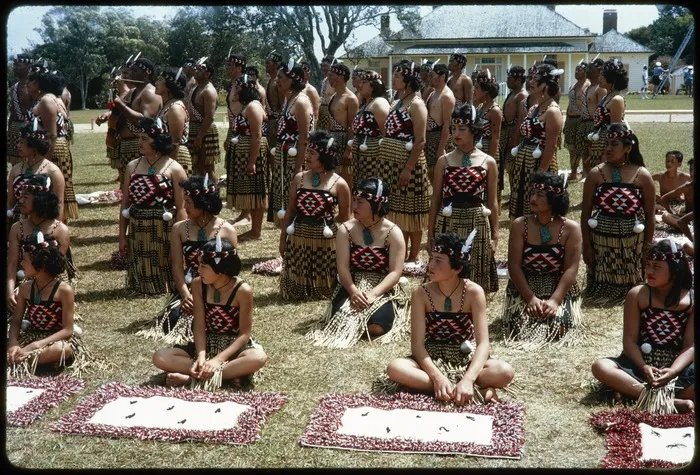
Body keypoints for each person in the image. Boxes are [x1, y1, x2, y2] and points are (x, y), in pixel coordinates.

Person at [385, 232, 515, 404]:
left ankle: (453, 388)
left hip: (464, 356)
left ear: (457, 268)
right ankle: (471, 391)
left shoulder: (474, 292)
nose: (430, 265)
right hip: (431, 358)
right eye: (431, 258)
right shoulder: (421, 294)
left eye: (438, 261)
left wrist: (468, 378)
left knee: (505, 372)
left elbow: (483, 343)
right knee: (395, 368)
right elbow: (417, 345)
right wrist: (437, 376)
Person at [591, 239, 694, 413]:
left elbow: (690, 346)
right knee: (600, 367)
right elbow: (629, 341)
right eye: (648, 265)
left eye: (657, 267)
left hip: (675, 369)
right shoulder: (637, 294)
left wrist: (673, 370)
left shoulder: (692, 300)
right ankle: (662, 400)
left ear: (675, 270)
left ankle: (630, 391)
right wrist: (643, 366)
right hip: (640, 366)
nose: (649, 271)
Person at [306, 178, 409, 348]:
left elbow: (395, 272)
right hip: (351, 284)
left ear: (376, 204)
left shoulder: (393, 233)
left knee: (376, 327)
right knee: (340, 319)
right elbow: (342, 267)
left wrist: (373, 294)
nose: (354, 206)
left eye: (360, 202)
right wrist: (354, 292)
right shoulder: (346, 230)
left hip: (382, 286)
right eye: (353, 200)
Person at [152, 238, 267, 390]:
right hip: (206, 343)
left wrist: (217, 360)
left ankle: (190, 378)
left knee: (258, 358)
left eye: (204, 266)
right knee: (159, 357)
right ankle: (227, 374)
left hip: (234, 347)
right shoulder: (198, 284)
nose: (199, 270)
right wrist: (201, 356)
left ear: (221, 268)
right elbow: (199, 326)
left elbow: (244, 335)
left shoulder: (242, 290)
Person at [138, 175, 237, 344]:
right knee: (174, 320)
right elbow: (177, 266)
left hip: (218, 287)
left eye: (189, 202)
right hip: (190, 285)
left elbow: (232, 270)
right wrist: (185, 295)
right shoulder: (179, 229)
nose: (184, 207)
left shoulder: (226, 230)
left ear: (203, 204)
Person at [502, 172, 583, 348]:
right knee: (520, 327)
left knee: (559, 327)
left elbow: (571, 269)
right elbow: (514, 266)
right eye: (532, 193)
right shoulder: (520, 225)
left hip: (557, 285)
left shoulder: (571, 228)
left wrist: (555, 300)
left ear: (554, 199)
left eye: (540, 195)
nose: (533, 198)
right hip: (526, 284)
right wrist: (530, 298)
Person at [581, 124, 655, 306]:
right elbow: (585, 213)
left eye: (614, 144)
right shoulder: (596, 174)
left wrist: (646, 247)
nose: (607, 149)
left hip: (631, 244)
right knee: (599, 284)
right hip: (601, 243)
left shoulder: (642, 175)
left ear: (628, 148)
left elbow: (649, 215)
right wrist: (587, 245)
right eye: (606, 143)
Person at [429, 104, 499, 293]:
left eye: (462, 129)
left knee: (474, 270)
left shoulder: (488, 162)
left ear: (473, 130)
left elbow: (492, 201)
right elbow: (435, 199)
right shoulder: (444, 161)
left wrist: (495, 234)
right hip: (448, 220)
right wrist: (430, 233)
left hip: (477, 222)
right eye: (453, 128)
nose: (456, 133)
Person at [279, 131, 351, 300]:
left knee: (324, 286)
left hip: (325, 239)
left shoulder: (339, 184)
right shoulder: (299, 178)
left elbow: (346, 219)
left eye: (312, 153)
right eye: (307, 151)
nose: (307, 156)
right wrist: (283, 239)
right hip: (298, 237)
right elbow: (290, 211)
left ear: (325, 156)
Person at [119, 118, 187, 295]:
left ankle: (164, 283)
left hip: (163, 229)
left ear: (157, 142)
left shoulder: (174, 169)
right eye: (139, 138)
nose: (139, 142)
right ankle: (142, 284)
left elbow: (181, 208)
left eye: (144, 139)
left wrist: (181, 241)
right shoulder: (132, 167)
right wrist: (122, 237)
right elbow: (125, 203)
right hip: (137, 228)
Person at [7, 241, 92, 379]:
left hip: (55, 339)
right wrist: (13, 344)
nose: (21, 263)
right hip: (32, 335)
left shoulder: (64, 291)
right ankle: (26, 358)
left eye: (25, 260)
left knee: (63, 350)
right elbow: (16, 321)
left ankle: (24, 359)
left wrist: (35, 346)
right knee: (15, 349)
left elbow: (67, 331)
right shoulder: (25, 288)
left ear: (41, 267)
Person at [379, 60, 432, 264]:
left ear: (409, 80)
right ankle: (399, 251)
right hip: (390, 164)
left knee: (412, 210)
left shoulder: (417, 105)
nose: (395, 80)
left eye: (398, 77)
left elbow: (420, 140)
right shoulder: (398, 102)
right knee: (396, 209)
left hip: (409, 164)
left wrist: (408, 168)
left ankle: (414, 255)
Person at [7, 175, 74, 313]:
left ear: (39, 200)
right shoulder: (17, 228)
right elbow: (12, 264)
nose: (20, 200)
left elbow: (55, 269)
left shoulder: (60, 230)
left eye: (26, 197)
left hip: (50, 284)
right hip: (22, 279)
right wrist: (9, 292)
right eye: (21, 196)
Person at [509, 64, 563, 220]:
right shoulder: (534, 108)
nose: (530, 82)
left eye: (535, 79)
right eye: (531, 78)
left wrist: (540, 174)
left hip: (539, 165)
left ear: (546, 85)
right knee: (521, 205)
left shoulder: (552, 111)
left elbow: (551, 146)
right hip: (524, 166)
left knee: (538, 206)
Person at [26, 65, 78, 222]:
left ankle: (56, 226)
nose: (28, 84)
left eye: (32, 80)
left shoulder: (47, 100)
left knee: (53, 187)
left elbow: (52, 134)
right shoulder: (52, 98)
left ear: (40, 83)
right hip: (53, 146)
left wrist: (45, 161)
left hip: (52, 148)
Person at [226, 75, 269, 240]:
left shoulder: (253, 107)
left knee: (256, 192)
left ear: (245, 89)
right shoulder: (246, 106)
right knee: (251, 191)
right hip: (243, 155)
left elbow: (257, 136)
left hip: (252, 157)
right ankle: (253, 229)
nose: (234, 91)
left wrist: (252, 162)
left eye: (237, 88)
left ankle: (256, 231)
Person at [271, 59, 313, 226]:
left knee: (293, 195)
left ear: (293, 79)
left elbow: (304, 137)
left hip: (294, 156)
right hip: (285, 155)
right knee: (284, 196)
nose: (277, 80)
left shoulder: (301, 101)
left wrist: (299, 166)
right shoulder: (290, 99)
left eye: (281, 77)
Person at [112, 57, 164, 187]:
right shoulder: (133, 92)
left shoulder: (150, 92)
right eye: (130, 70)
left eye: (134, 70)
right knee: (128, 187)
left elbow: (145, 121)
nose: (129, 74)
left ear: (146, 74)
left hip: (139, 145)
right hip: (128, 146)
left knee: (141, 185)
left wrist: (121, 106)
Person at [7, 123, 65, 224]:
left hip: (44, 224)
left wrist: (54, 230)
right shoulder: (15, 170)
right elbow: (10, 202)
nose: (18, 146)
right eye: (18, 142)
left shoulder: (52, 171)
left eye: (22, 143)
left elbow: (59, 203)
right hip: (18, 224)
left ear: (33, 145)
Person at [588, 59, 628, 171]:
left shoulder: (616, 99)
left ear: (612, 79)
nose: (599, 78)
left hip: (606, 145)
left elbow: (615, 130)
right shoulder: (607, 97)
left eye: (603, 76)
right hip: (599, 143)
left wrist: (608, 152)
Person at [351, 70, 390, 185]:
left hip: (374, 158)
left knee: (371, 186)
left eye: (364, 82)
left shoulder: (379, 104)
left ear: (374, 85)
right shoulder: (366, 104)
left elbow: (386, 135)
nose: (360, 85)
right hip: (361, 158)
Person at [95, 66, 132, 183]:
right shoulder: (117, 95)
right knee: (119, 163)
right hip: (114, 131)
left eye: (113, 79)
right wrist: (107, 114)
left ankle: (124, 183)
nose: (111, 82)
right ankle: (122, 182)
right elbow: (115, 111)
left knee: (124, 163)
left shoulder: (129, 94)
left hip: (124, 132)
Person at [186, 58, 220, 180]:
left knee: (207, 167)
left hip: (204, 132)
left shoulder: (208, 91)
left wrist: (200, 137)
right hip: (194, 129)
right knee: (196, 166)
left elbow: (209, 117)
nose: (196, 71)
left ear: (207, 74)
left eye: (200, 70)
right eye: (197, 69)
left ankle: (212, 195)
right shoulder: (196, 87)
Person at [499, 66, 528, 209]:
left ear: (518, 80)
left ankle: (517, 198)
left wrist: (514, 141)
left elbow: (520, 120)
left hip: (514, 134)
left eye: (510, 78)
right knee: (509, 167)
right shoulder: (513, 93)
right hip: (507, 132)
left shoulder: (522, 95)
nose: (507, 81)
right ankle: (512, 196)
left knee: (514, 167)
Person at [326, 62, 359, 188]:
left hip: (344, 141)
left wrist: (349, 150)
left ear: (340, 77)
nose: (328, 77)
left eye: (331, 75)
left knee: (345, 180)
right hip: (333, 141)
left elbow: (353, 126)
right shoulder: (333, 96)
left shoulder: (350, 98)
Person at [155, 68, 192, 175]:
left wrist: (167, 167)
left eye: (160, 80)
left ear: (169, 85)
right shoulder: (166, 106)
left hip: (176, 158)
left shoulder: (175, 108)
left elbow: (175, 142)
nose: (156, 83)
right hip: (166, 157)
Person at [424, 61, 456, 180]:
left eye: (433, 75)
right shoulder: (432, 93)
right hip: (429, 138)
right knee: (432, 175)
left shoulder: (446, 96)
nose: (430, 78)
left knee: (441, 175)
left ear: (442, 76)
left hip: (439, 139)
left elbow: (447, 124)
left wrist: (441, 147)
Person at [580, 57, 606, 179]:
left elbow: (602, 110)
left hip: (595, 124)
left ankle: (594, 175)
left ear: (598, 71)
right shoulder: (589, 87)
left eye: (591, 68)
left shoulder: (600, 89)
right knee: (584, 151)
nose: (587, 70)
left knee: (594, 152)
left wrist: (597, 127)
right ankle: (585, 174)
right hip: (585, 123)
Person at [564, 61, 590, 181]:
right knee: (572, 148)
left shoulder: (588, 86)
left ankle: (585, 172)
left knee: (583, 147)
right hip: (571, 120)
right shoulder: (573, 86)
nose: (576, 72)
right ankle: (574, 172)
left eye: (579, 70)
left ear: (586, 72)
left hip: (581, 120)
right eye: (576, 69)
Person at [7, 54, 35, 167]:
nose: (14, 68)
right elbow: (13, 112)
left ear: (28, 66)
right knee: (17, 165)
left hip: (31, 129)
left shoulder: (35, 87)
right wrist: (9, 132)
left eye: (18, 65)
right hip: (15, 130)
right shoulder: (14, 87)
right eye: (14, 65)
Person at [473, 69, 502, 170]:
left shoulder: (495, 111)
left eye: (476, 87)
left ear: (486, 91)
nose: (474, 90)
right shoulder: (480, 107)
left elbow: (495, 138)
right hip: (476, 151)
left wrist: (489, 162)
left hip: (487, 151)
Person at [660, 159, 694, 237]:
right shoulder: (687, 187)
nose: (692, 173)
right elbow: (664, 198)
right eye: (690, 170)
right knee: (665, 216)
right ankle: (689, 229)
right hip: (686, 220)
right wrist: (672, 212)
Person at [265, 51, 284, 164]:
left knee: (276, 157)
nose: (266, 65)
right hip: (271, 123)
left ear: (276, 64)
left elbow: (283, 106)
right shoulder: (271, 80)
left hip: (277, 124)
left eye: (268, 63)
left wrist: (277, 125)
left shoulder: (278, 82)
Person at [317, 55, 336, 131]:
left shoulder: (335, 82)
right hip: (322, 115)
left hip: (332, 114)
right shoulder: (324, 81)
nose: (323, 68)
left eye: (325, 66)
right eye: (322, 66)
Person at [301, 61, 321, 125]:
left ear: (309, 72)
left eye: (306, 69)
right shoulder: (292, 87)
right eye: (301, 69)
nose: (303, 72)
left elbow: (315, 114)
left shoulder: (311, 90)